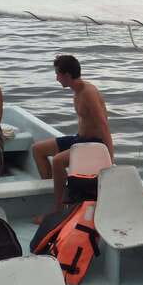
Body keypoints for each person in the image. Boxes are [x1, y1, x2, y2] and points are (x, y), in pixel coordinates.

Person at [32, 55, 114, 211]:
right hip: (80, 139)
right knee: (37, 149)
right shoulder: (76, 90)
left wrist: (109, 156)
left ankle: (58, 209)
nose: (56, 78)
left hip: (94, 144)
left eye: (58, 74)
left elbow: (103, 124)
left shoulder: (88, 92)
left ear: (67, 75)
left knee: (57, 161)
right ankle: (54, 194)